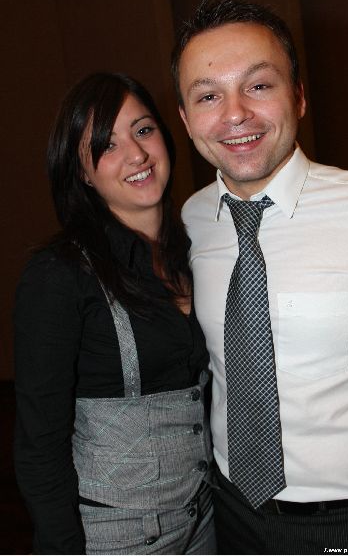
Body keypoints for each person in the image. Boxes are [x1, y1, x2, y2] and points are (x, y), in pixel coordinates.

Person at [171, 0, 348, 554]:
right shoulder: (191, 221)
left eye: (258, 85)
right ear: (185, 118)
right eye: (208, 95)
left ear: (298, 95)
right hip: (229, 510)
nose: (234, 115)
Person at [14, 72, 216, 555]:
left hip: (208, 519)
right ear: (83, 172)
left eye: (143, 130)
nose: (136, 154)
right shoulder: (60, 274)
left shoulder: (202, 248)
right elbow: (39, 442)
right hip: (116, 534)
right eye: (106, 144)